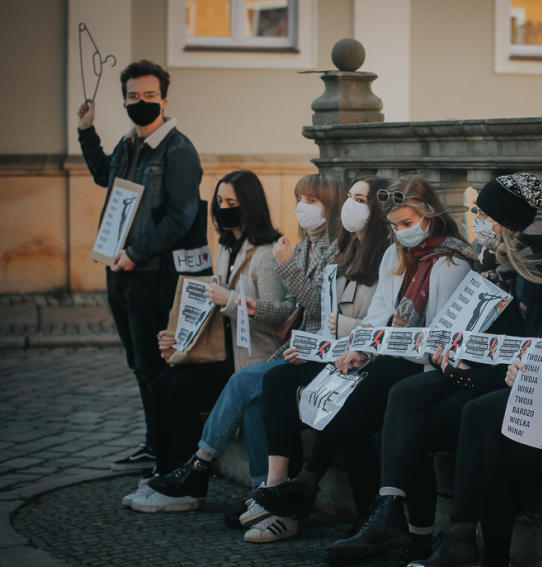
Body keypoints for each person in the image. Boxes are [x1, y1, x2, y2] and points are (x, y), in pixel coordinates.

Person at [330, 172, 542, 566]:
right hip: (500, 371)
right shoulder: (505, 261)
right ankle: (397, 515)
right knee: (406, 399)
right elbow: (508, 332)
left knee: (468, 421)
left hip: (539, 391)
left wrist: (493, 362)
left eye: (485, 212)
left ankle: (453, 538)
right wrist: (459, 351)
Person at [251, 174, 476, 536]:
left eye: (407, 223)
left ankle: (313, 485)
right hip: (390, 355)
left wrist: (375, 349)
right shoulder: (394, 254)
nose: (401, 231)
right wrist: (361, 348)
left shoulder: (450, 263)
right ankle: (342, 503)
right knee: (336, 388)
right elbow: (378, 317)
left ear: (429, 215)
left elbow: (436, 337)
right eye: (394, 225)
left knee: (364, 395)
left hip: (423, 365)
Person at [134, 173, 347, 512]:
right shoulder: (302, 244)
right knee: (169, 382)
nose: (302, 208)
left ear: (332, 207)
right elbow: (292, 309)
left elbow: (316, 305)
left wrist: (278, 273)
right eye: (300, 200)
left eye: (312, 201)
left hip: (305, 351)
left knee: (242, 385)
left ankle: (202, 469)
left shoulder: (322, 250)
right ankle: (240, 485)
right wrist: (189, 332)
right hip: (288, 348)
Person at [126, 170, 289, 512]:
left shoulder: (269, 252)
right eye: (219, 201)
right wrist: (180, 337)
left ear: (250, 205)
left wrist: (229, 299)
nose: (223, 208)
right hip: (223, 350)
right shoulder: (227, 248)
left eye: (232, 202)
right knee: (163, 380)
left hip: (252, 357)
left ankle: (190, 485)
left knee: (182, 387)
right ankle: (168, 471)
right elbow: (211, 308)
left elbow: (280, 315)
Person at [242, 176, 393, 542]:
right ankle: (277, 487)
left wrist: (343, 327)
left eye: (362, 199)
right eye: (352, 197)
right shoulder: (345, 247)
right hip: (337, 350)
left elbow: (385, 321)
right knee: (277, 379)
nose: (353, 205)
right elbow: (320, 310)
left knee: (339, 404)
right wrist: (311, 347)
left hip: (370, 357)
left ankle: (304, 491)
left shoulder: (388, 252)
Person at [77, 60, 204, 471]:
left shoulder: (178, 149)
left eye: (150, 96)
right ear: (125, 100)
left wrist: (137, 252)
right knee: (137, 360)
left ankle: (168, 452)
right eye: (133, 97)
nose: (142, 103)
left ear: (164, 99)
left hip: (152, 274)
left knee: (154, 363)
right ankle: (153, 442)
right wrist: (86, 131)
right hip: (118, 269)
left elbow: (180, 216)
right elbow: (104, 177)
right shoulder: (127, 145)